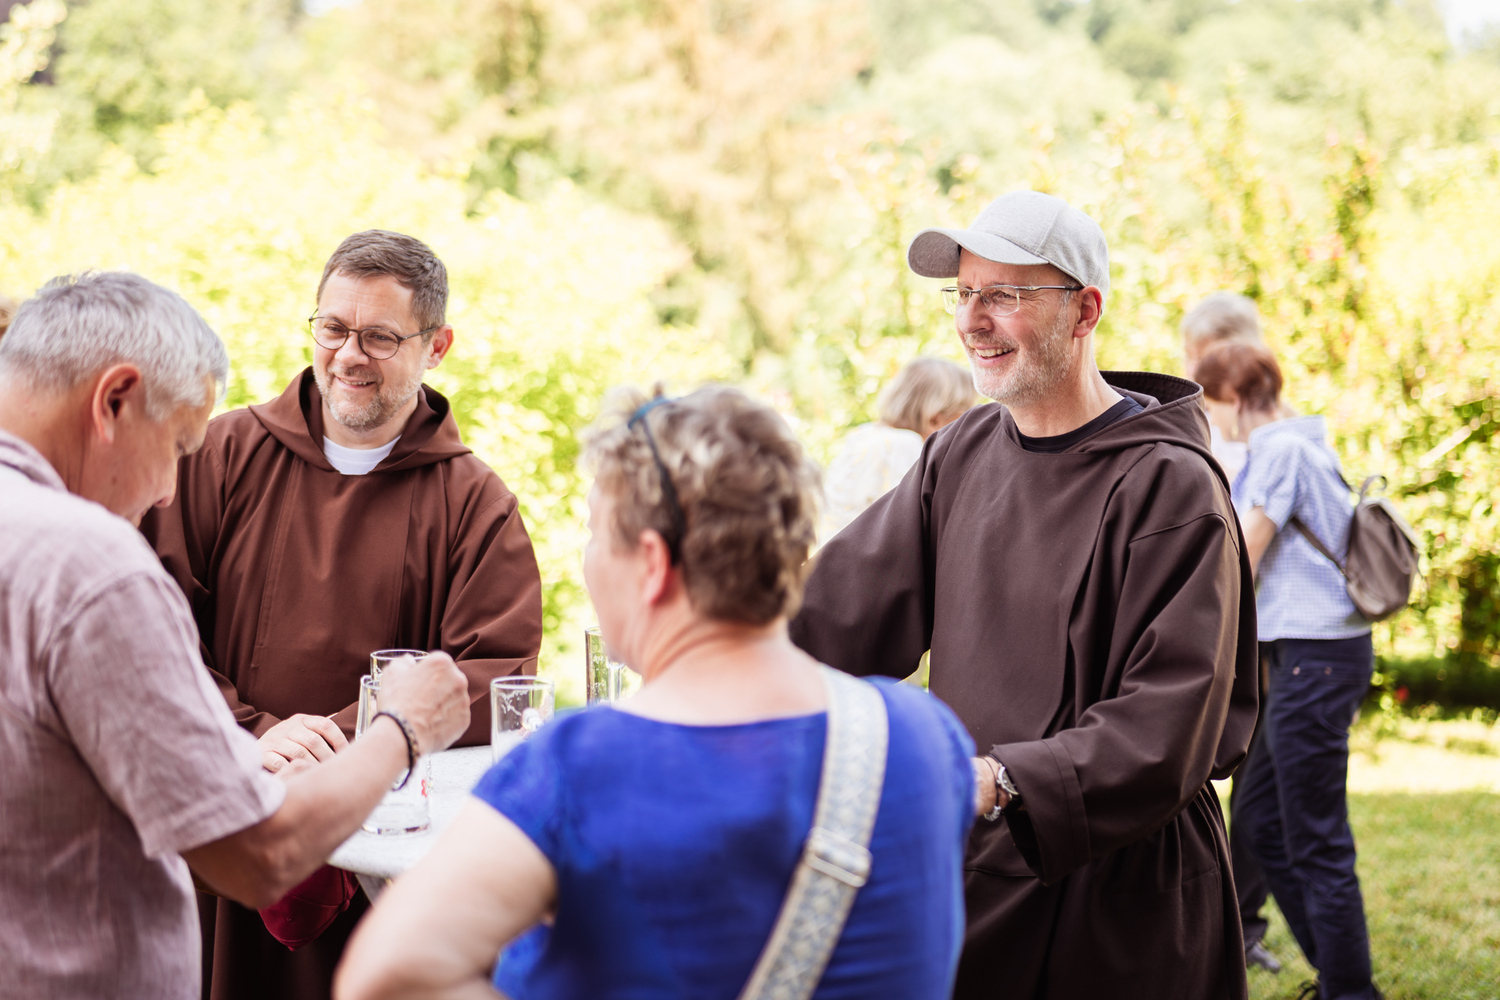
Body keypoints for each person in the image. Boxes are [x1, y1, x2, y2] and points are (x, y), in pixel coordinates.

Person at [334, 386, 978, 1000]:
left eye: (595, 533)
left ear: (651, 563)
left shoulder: (581, 768)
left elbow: (382, 977)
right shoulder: (924, 736)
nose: (589, 559)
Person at [788, 190, 1260, 1000]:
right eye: (964, 294)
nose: (972, 321)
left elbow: (1170, 727)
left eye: (1004, 295)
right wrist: (717, 662)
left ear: (1085, 312)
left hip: (1123, 909)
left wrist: (999, 781)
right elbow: (840, 610)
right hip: (981, 875)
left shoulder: (1171, 486)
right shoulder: (962, 451)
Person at [0, 271, 472, 1000]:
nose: (168, 491)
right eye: (177, 445)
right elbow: (258, 857)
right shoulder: (91, 566)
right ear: (115, 400)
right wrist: (398, 732)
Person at [140, 230, 544, 1000]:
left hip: (383, 861)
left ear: (436, 347)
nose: (349, 356)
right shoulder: (219, 456)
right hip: (229, 818)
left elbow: (496, 675)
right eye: (333, 328)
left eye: (380, 337)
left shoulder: (477, 505)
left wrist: (346, 744)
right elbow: (150, 622)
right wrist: (251, 731)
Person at [1194, 341, 1381, 1000]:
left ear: (1235, 397)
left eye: (1210, 406)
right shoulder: (1303, 441)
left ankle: (1350, 991)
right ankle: (1341, 977)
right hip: (1309, 658)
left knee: (1316, 836)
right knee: (1260, 822)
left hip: (1316, 660)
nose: (1211, 422)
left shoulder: (1279, 450)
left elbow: (1242, 556)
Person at [1182, 290, 1283, 973]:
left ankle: (1243, 919)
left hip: (1267, 625)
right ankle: (1226, 913)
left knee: (1257, 782)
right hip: (1230, 620)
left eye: (1201, 353)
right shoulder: (1204, 420)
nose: (1193, 367)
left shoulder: (1269, 430)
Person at [821, 355, 974, 537]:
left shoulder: (866, 434)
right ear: (934, 420)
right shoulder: (905, 446)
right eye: (963, 418)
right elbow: (910, 524)